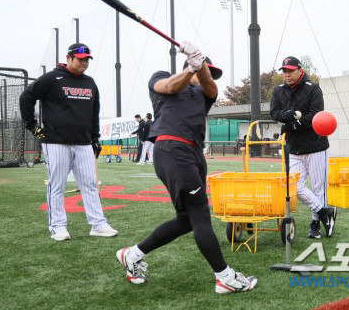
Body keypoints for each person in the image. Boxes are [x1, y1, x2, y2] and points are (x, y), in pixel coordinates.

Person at [116, 41, 257, 294]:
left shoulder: (206, 94)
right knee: (200, 214)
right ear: (187, 66)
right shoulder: (162, 78)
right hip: (173, 149)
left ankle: (132, 254)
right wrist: (192, 67)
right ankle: (224, 276)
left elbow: (211, 87)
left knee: (187, 220)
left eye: (209, 72)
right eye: (205, 70)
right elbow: (169, 86)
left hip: (192, 154)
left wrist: (199, 65)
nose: (208, 77)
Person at [19, 43, 118, 240]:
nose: (84, 62)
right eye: (80, 59)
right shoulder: (52, 78)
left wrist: (95, 138)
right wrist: (32, 127)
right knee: (57, 185)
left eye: (87, 59)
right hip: (55, 142)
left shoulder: (90, 82)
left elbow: (94, 113)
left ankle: (98, 224)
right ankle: (58, 227)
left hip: (83, 143)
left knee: (90, 185)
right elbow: (26, 97)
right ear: (69, 58)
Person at [270, 56, 337, 239]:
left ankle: (315, 223)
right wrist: (288, 115)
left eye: (290, 70)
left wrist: (289, 124)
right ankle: (325, 213)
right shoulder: (279, 90)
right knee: (295, 187)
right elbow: (274, 113)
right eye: (284, 71)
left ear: (300, 70)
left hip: (316, 146)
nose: (287, 74)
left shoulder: (313, 89)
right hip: (294, 148)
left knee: (318, 187)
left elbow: (315, 117)